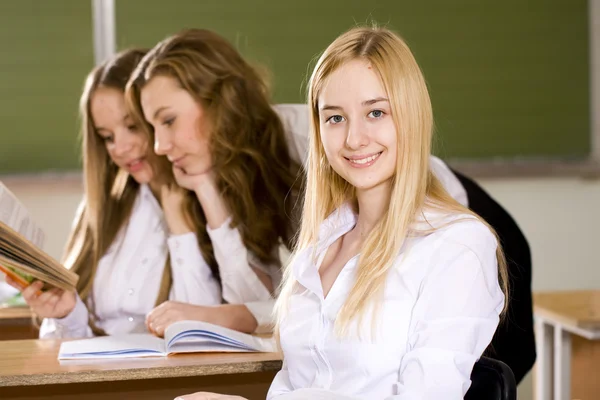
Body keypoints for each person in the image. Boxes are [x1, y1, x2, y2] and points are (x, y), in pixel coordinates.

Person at [175, 26, 508, 400]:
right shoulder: (324, 240)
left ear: (411, 117)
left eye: (376, 112)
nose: (353, 139)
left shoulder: (456, 245)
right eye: (335, 118)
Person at [5, 49, 222, 338]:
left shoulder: (208, 202)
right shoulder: (100, 208)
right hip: (99, 376)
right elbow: (67, 346)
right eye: (107, 137)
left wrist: (179, 223)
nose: (119, 149)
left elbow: (201, 333)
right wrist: (66, 315)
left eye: (132, 127)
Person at [126, 29, 303, 335]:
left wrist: (225, 317)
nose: (159, 146)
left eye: (168, 121)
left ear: (220, 102)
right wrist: (208, 192)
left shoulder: (312, 141)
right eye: (153, 128)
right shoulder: (236, 169)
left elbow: (330, 305)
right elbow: (252, 304)